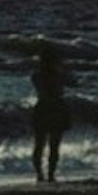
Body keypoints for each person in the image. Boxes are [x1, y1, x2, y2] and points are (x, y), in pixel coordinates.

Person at [30, 41, 69, 185]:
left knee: (40, 144)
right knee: (53, 144)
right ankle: (49, 174)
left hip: (44, 107)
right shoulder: (57, 75)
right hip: (56, 107)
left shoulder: (37, 75)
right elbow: (71, 83)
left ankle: (41, 175)